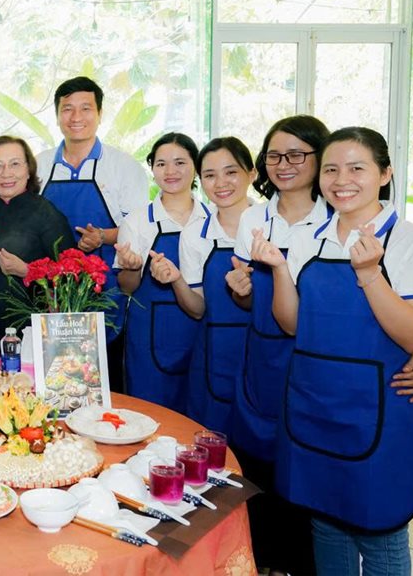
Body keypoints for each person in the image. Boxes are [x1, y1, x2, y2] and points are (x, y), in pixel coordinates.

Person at [252, 127, 413, 574]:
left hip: (377, 410)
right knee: (327, 523)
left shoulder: (412, 242)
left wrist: (371, 273)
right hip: (313, 405)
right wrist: (279, 269)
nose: (342, 180)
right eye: (332, 169)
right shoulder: (308, 238)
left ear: (385, 173)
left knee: (380, 530)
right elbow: (292, 324)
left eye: (357, 168)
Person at [36, 77, 148, 392]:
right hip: (50, 296)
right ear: (57, 115)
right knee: (53, 387)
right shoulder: (40, 165)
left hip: (107, 292)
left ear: (99, 114)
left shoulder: (123, 167)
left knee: (104, 387)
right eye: (67, 109)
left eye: (85, 108)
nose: (76, 117)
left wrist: (103, 236)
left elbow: (140, 230)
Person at [149, 137, 259, 434]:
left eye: (231, 172)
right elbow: (197, 309)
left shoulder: (273, 226)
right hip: (215, 354)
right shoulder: (195, 233)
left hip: (265, 351)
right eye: (210, 175)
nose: (220, 183)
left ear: (252, 173)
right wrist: (176, 280)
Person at [114, 133, 209, 413]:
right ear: (152, 169)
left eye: (180, 162)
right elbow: (126, 287)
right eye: (161, 164)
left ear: (195, 167)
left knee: (200, 414)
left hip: (203, 332)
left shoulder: (213, 219)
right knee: (150, 415)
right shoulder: (137, 222)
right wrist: (133, 267)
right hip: (148, 337)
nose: (170, 171)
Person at [0, 135, 74, 370]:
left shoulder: (46, 214)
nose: (6, 173)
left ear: (28, 170)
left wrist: (26, 270)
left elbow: (72, 276)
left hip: (31, 332)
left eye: (14, 164)